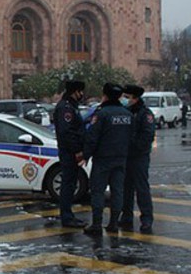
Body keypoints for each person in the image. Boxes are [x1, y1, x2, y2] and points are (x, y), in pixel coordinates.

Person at [81, 83, 133, 236]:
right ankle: (114, 223)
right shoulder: (127, 114)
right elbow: (132, 137)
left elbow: (92, 137)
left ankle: (97, 224)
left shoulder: (102, 114)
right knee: (117, 191)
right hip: (121, 158)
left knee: (98, 191)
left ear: (105, 95)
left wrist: (86, 155)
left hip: (103, 159)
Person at [119, 85, 156, 234]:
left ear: (135, 98)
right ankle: (126, 216)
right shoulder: (126, 113)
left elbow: (147, 136)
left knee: (141, 188)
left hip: (139, 157)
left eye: (127, 97)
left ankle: (146, 218)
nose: (125, 99)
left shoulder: (145, 114)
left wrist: (133, 147)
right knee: (126, 188)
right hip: (126, 156)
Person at [53, 80, 87, 228]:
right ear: (75, 91)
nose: (82, 94)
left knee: (71, 184)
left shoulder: (72, 107)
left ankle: (68, 215)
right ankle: (66, 217)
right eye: (80, 91)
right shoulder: (66, 108)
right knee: (68, 185)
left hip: (71, 152)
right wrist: (77, 150)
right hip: (69, 153)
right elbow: (66, 132)